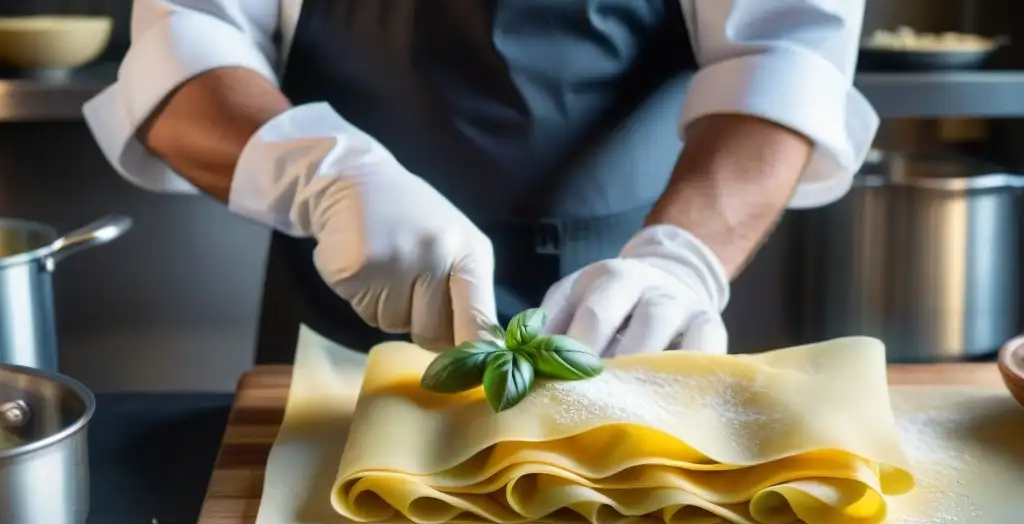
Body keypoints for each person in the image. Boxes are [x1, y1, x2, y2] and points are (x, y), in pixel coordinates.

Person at [84, 0, 877, 363]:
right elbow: (184, 41)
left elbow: (784, 56)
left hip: (628, 316)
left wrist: (681, 259)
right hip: (340, 313)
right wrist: (323, 176)